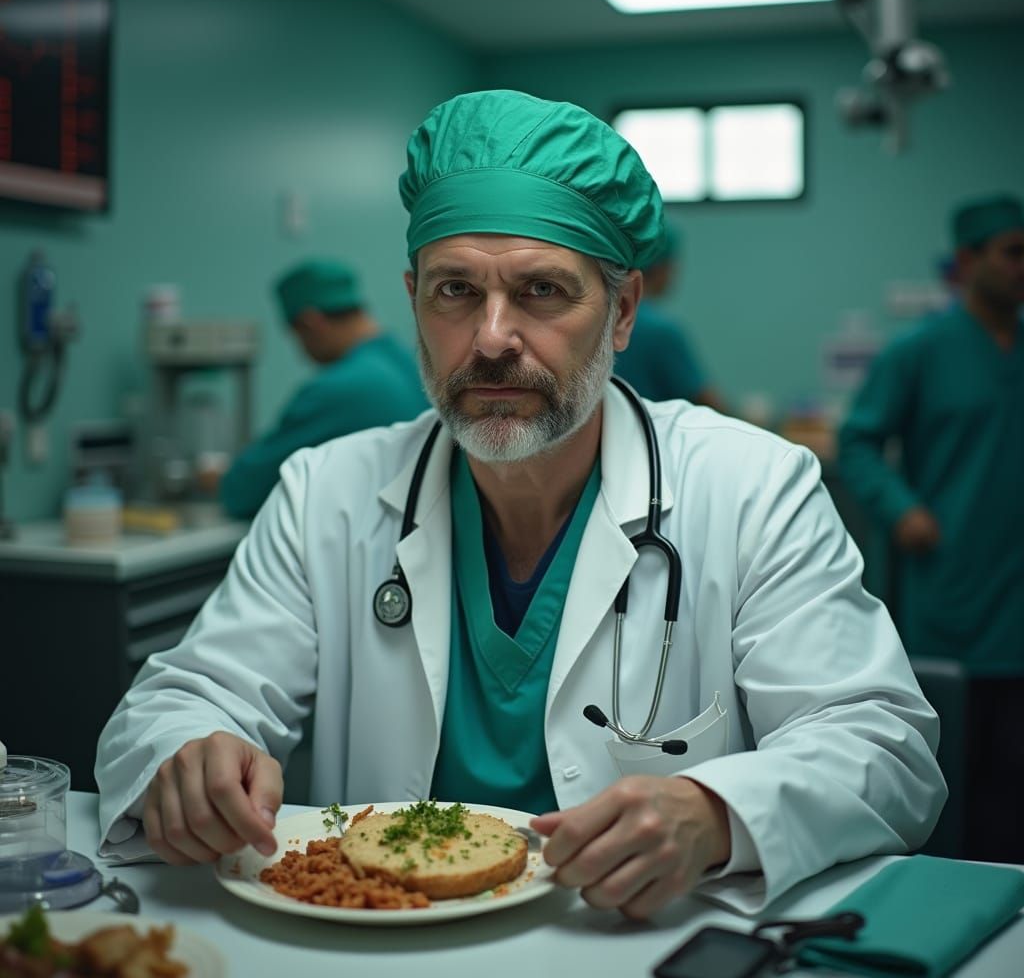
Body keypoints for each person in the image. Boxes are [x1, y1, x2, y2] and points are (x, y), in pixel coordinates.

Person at [96, 90, 944, 918]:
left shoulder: (754, 489)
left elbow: (883, 748)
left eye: (542, 291)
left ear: (621, 312)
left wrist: (715, 814)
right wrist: (190, 753)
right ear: (414, 302)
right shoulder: (326, 491)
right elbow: (186, 697)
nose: (493, 338)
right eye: (455, 292)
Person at [838, 193, 1024, 862]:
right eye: (1012, 253)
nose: (1022, 268)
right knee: (951, 772)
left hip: (1016, 584)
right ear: (968, 261)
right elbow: (857, 442)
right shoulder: (920, 353)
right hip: (951, 585)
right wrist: (901, 508)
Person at [218, 259, 427, 518]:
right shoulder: (408, 362)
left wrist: (213, 478)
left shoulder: (340, 388)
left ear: (311, 323)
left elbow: (242, 492)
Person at [613, 227, 726, 411]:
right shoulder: (660, 331)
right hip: (656, 435)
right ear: (661, 268)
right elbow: (707, 402)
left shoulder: (605, 321)